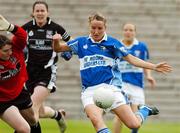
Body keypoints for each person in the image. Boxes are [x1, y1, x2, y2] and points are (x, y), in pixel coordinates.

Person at [52, 12, 172, 133]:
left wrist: (154, 67)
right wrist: (56, 41)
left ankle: (144, 110)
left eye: (100, 28)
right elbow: (58, 49)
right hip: (90, 91)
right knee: (96, 120)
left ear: (105, 28)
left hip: (111, 89)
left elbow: (132, 59)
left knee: (134, 124)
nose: (96, 31)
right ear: (89, 27)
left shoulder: (113, 43)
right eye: (93, 28)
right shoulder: (81, 42)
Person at [22, 1, 72, 133]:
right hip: (28, 74)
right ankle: (58, 115)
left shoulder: (56, 28)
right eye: (37, 11)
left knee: (31, 108)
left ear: (47, 12)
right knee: (41, 111)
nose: (39, 13)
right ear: (33, 13)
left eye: (42, 10)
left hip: (47, 72)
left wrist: (68, 51)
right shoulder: (26, 28)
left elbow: (71, 42)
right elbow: (14, 45)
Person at [0, 15, 41, 133]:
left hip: (19, 92)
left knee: (33, 121)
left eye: (10, 49)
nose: (10, 52)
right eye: (5, 51)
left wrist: (9, 27)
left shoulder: (16, 48)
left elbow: (22, 35)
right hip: (3, 100)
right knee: (24, 129)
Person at [113, 23, 156, 133]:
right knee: (120, 116)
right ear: (123, 31)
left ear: (135, 32)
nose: (128, 32)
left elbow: (145, 63)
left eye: (131, 30)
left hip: (137, 86)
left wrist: (149, 76)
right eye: (126, 30)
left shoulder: (141, 47)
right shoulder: (117, 45)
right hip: (121, 85)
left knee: (135, 119)